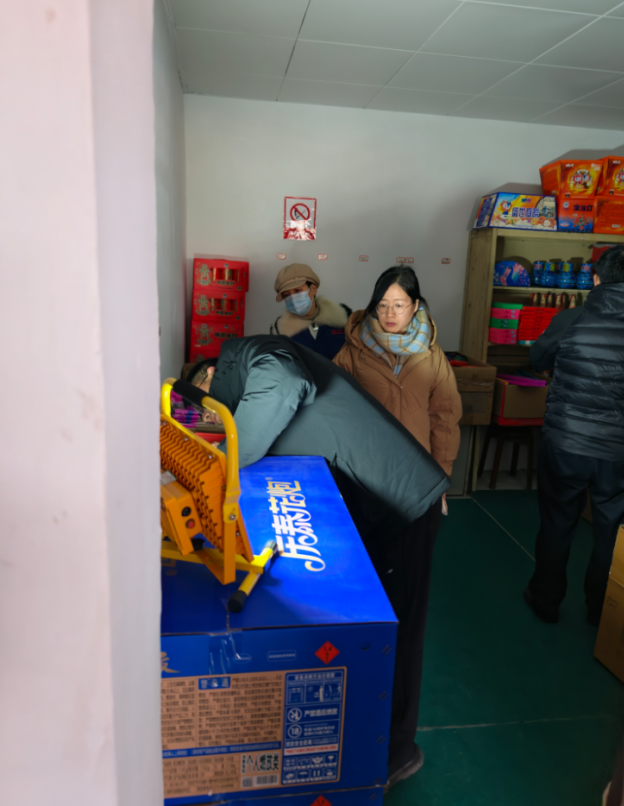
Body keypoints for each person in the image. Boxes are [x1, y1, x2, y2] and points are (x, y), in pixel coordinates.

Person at [183, 335, 450, 789]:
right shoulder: (244, 381)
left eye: (206, 405)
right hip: (374, 502)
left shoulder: (248, 353)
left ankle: (397, 754)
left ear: (210, 374)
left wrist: (222, 460)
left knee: (399, 633)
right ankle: (363, 738)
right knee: (371, 626)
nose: (212, 417)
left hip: (403, 505)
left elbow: (286, 379)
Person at [333, 265, 462, 784]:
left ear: (416, 306)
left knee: (408, 616)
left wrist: (440, 479)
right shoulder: (351, 352)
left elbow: (445, 419)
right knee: (361, 606)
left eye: (399, 305)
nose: (390, 314)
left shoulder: (432, 357)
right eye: (383, 305)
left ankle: (398, 745)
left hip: (415, 495)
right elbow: (333, 412)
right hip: (364, 491)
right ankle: (353, 716)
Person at [524, 245, 624, 627]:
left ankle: (545, 601)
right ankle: (601, 610)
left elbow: (538, 359)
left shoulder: (572, 318)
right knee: (612, 531)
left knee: (557, 523)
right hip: (623, 450)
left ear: (596, 278)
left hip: (567, 442)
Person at [270, 263, 351, 359]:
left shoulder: (345, 317)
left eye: (297, 290)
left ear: (313, 289)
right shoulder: (279, 329)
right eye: (287, 295)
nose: (293, 298)